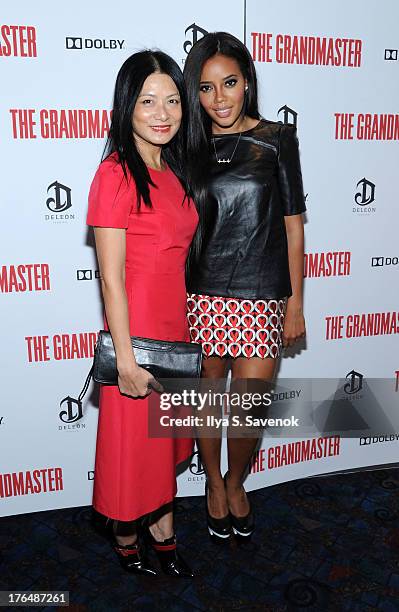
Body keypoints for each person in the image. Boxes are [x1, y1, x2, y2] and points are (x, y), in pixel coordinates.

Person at [183, 32, 306, 541]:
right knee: (208, 399)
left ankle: (237, 481)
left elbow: (294, 223)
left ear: (247, 82)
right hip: (202, 294)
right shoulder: (184, 146)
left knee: (249, 405)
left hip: (261, 294)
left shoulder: (278, 138)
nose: (220, 98)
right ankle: (213, 482)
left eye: (229, 83)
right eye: (207, 89)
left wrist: (295, 303)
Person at [87, 50, 198, 576]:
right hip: (138, 339)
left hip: (175, 334)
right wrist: (126, 361)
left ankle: (164, 531)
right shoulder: (114, 174)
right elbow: (111, 277)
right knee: (135, 449)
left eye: (173, 100)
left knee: (162, 446)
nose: (163, 113)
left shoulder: (174, 168)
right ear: (126, 106)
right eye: (148, 100)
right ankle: (128, 534)